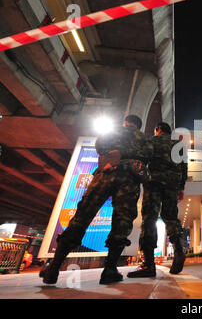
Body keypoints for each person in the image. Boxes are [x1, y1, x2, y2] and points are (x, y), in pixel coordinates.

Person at [40, 115, 152, 285]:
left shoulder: (113, 130)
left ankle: (53, 268)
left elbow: (100, 145)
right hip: (129, 180)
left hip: (105, 174)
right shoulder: (144, 138)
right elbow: (148, 155)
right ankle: (110, 270)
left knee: (82, 217)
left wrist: (114, 156)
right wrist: (129, 156)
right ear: (139, 126)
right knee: (122, 221)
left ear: (126, 122)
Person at [127, 122, 188, 278]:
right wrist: (181, 187)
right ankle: (179, 249)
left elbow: (142, 160)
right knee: (171, 218)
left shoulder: (151, 141)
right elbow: (184, 168)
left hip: (153, 183)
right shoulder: (178, 145)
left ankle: (148, 264)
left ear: (158, 129)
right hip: (172, 184)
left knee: (149, 219)